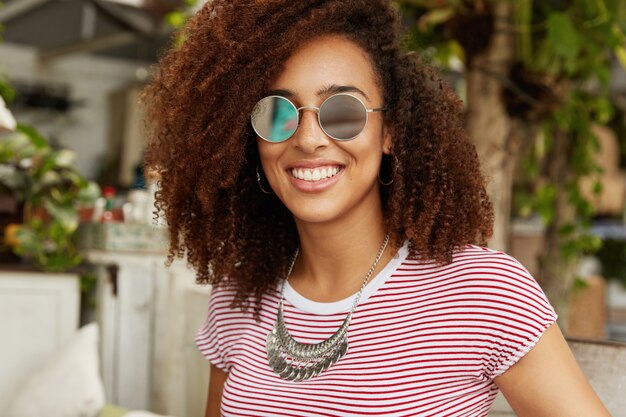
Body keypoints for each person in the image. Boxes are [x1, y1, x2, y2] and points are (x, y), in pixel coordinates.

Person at [142, 1, 611, 416]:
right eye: (278, 112)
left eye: (342, 110)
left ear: (390, 132)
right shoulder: (238, 297)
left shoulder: (481, 291)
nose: (307, 138)